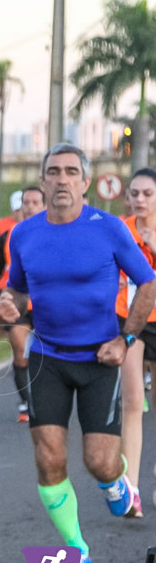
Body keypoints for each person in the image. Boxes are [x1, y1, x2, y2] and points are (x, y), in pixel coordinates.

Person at [0, 143, 156, 563]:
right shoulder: (24, 235)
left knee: (99, 462)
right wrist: (9, 304)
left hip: (99, 359)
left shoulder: (108, 229)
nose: (62, 179)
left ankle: (117, 482)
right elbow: (18, 291)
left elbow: (147, 283)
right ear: (42, 181)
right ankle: (76, 550)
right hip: (47, 356)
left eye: (71, 171)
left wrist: (126, 340)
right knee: (49, 458)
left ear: (85, 182)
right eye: (54, 172)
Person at [0, 187, 44, 423]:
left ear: (44, 206)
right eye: (25, 203)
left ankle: (47, 395)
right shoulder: (9, 235)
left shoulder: (55, 233)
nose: (28, 207)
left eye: (34, 202)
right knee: (20, 350)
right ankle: (25, 400)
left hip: (45, 299)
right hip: (16, 296)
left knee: (47, 352)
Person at [117, 168, 156, 517]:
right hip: (131, 320)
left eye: (148, 193)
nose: (140, 200)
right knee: (132, 403)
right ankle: (132, 490)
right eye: (135, 193)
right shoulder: (120, 229)